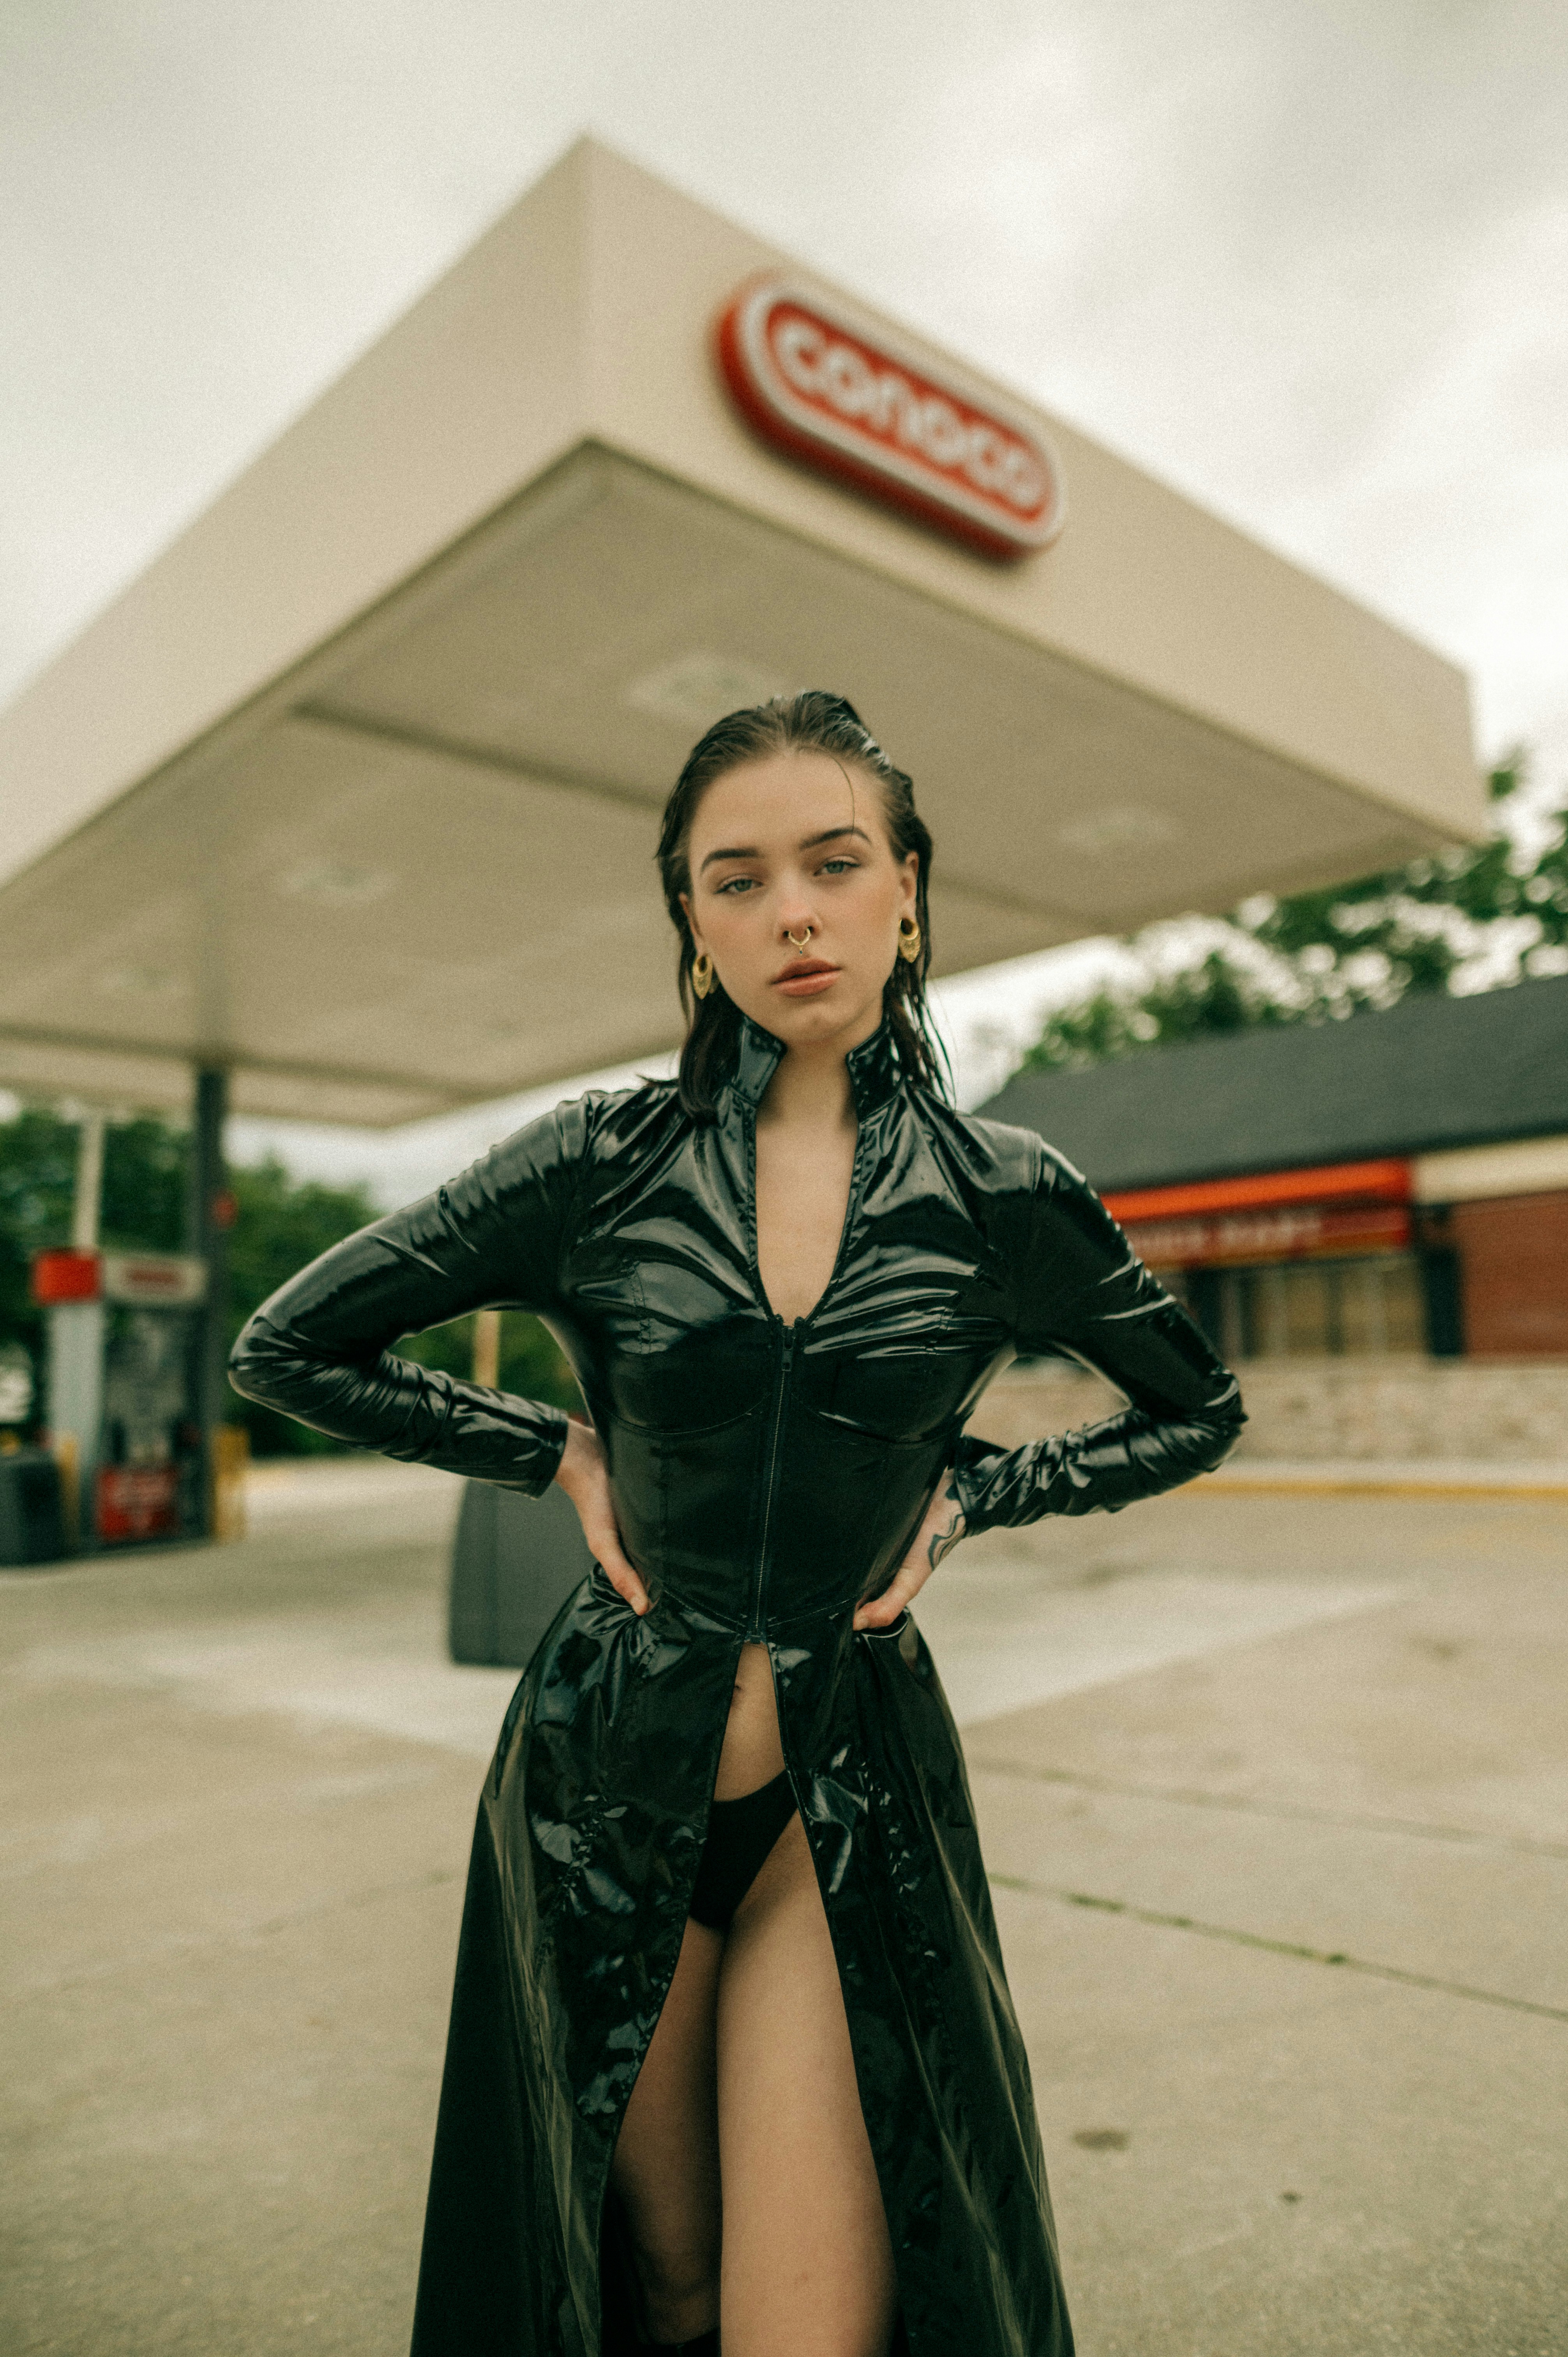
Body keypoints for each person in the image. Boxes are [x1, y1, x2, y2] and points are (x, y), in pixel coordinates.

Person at [229, 692, 1244, 2357]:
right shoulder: (590, 1163)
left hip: (843, 1801)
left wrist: (988, 1488)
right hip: (600, 1793)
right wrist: (546, 1449)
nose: (792, 912)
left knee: (811, 2324)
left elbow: (1195, 1407)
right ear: (690, 923)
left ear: (906, 889)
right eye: (737, 878)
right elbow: (291, 1345)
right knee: (658, 2286)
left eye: (834, 864)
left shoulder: (1008, 1195)